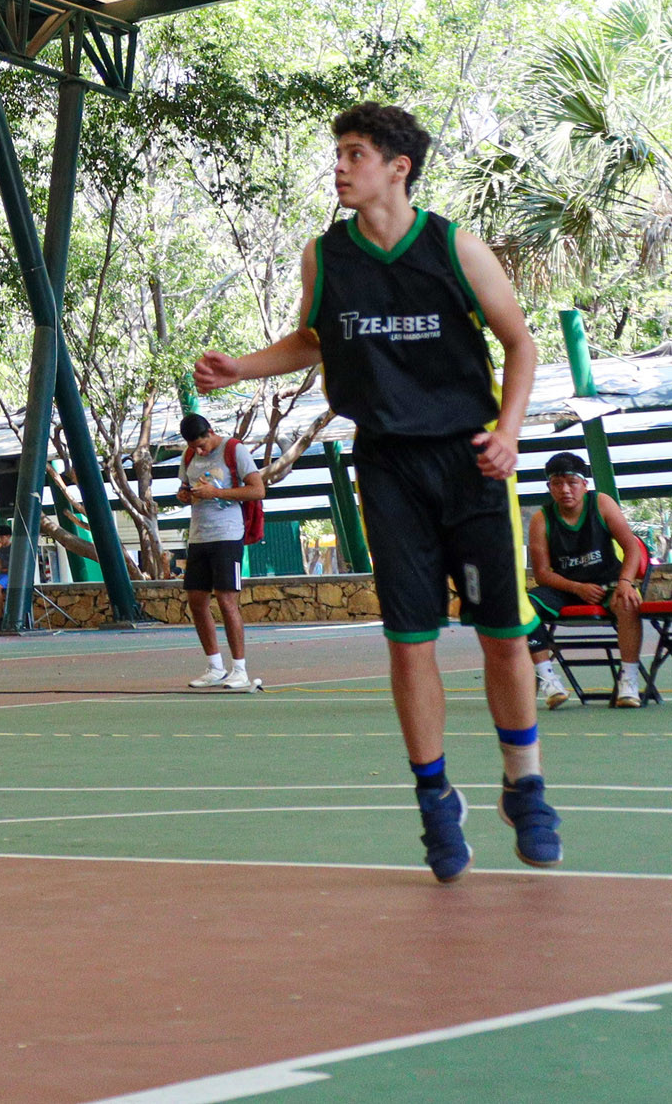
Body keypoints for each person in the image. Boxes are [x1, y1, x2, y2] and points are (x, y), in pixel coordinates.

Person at [193, 101, 557, 881]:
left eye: (355, 153)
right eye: (339, 153)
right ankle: (435, 798)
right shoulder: (326, 257)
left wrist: (511, 430)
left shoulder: (454, 245)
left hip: (471, 460)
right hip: (388, 461)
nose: (340, 165)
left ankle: (523, 783)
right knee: (409, 637)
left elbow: (520, 340)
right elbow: (312, 338)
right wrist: (241, 367)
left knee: (502, 634)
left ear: (399, 165)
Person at [525, 451, 649, 710]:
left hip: (606, 582)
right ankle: (549, 679)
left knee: (627, 601)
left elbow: (632, 547)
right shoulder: (541, 519)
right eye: (557, 484)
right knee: (522, 609)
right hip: (566, 588)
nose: (565, 490)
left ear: (585, 484)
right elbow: (543, 573)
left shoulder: (601, 504)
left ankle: (628, 678)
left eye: (572, 482)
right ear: (550, 488)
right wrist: (576, 588)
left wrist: (626, 581)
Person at [175, 413, 263, 691]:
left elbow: (257, 490)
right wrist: (185, 495)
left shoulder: (233, 449)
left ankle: (240, 669)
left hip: (228, 534)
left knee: (227, 601)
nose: (199, 452)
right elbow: (185, 487)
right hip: (199, 536)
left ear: (211, 432)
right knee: (196, 600)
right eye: (194, 447)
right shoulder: (189, 457)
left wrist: (217, 493)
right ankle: (215, 666)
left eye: (202, 445)